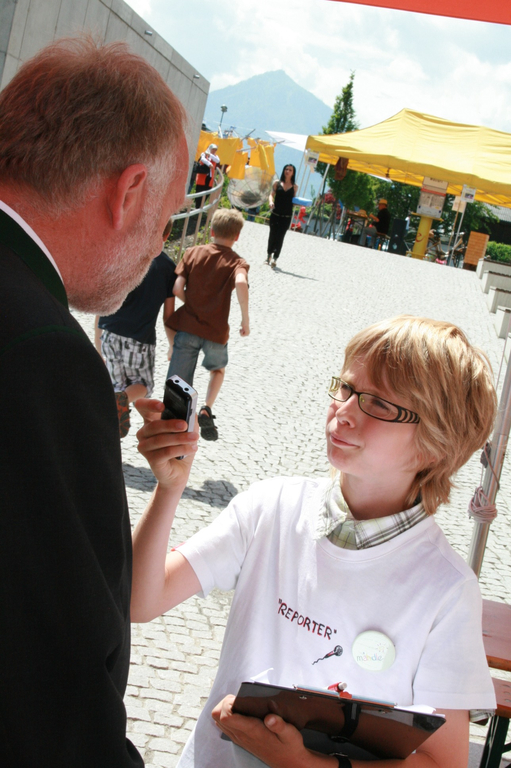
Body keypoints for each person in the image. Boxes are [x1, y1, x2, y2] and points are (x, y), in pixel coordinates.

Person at [131, 315, 497, 768]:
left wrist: (302, 763)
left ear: (437, 443)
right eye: (346, 388)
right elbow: (139, 601)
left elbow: (443, 762)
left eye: (378, 404)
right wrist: (170, 489)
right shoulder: (272, 507)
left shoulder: (446, 589)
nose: (345, 411)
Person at [0, 36, 189, 767]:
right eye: (166, 220)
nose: (157, 249)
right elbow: (53, 680)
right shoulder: (43, 350)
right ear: (129, 190)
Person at [166, 208, 249, 441]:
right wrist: (245, 319)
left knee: (178, 383)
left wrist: (192, 303)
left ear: (212, 231)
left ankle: (174, 430)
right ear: (237, 236)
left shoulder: (193, 253)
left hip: (188, 328)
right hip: (216, 333)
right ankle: (206, 408)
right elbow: (241, 283)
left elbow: (176, 288)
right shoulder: (237, 262)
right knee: (217, 370)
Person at [95, 221, 177, 437]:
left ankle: (113, 422)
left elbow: (103, 300)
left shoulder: (123, 254)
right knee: (143, 385)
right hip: (140, 340)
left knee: (117, 384)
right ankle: (119, 401)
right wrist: (172, 345)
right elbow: (168, 316)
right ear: (167, 235)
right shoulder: (169, 268)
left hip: (109, 333)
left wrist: (97, 341)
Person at [266, 164, 298, 268]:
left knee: (280, 237)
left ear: (293, 173)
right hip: (275, 214)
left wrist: (300, 204)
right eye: (286, 169)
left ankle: (275, 258)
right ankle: (268, 255)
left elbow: (294, 201)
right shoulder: (277, 183)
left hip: (286, 216)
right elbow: (271, 194)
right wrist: (271, 202)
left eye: (290, 170)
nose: (287, 171)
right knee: (272, 235)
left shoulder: (294, 187)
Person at [194, 143, 220, 208]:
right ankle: (197, 208)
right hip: (202, 177)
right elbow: (203, 159)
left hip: (209, 178)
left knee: (206, 193)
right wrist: (209, 164)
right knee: (199, 193)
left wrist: (210, 154)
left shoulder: (215, 156)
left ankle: (201, 207)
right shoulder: (203, 154)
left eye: (215, 150)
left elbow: (217, 160)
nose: (214, 151)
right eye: (213, 149)